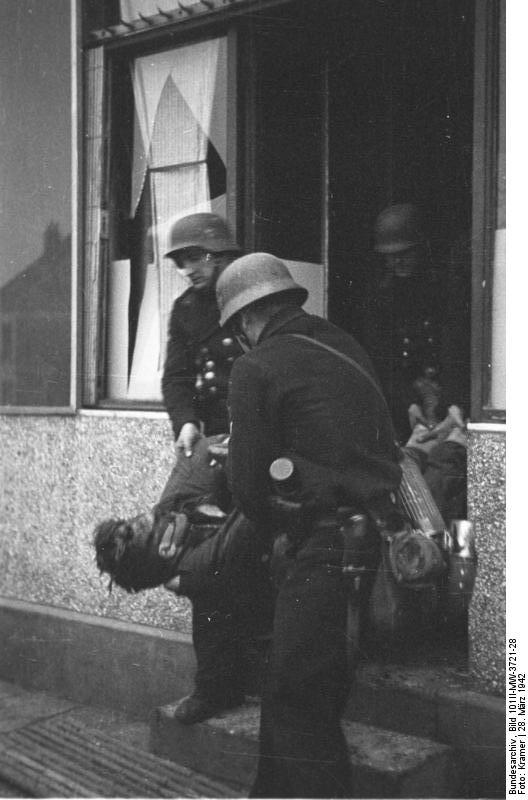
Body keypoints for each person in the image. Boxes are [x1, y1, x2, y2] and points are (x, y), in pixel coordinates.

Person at [216, 253, 402, 798]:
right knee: (293, 689)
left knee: (300, 704)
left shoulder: (255, 367)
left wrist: (276, 524)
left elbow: (248, 488)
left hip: (321, 548)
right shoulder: (344, 344)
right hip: (374, 544)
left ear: (245, 320)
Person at [157, 213, 272, 725]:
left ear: (222, 253)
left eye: (194, 258)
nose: (187, 270)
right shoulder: (185, 310)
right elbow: (176, 378)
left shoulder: (254, 295)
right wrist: (185, 423)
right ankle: (215, 687)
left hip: (264, 446)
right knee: (199, 560)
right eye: (180, 261)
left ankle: (266, 683)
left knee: (264, 561)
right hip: (211, 444)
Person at [367, 202, 469, 523]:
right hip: (410, 411)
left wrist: (457, 404)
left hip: (452, 405)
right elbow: (383, 360)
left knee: (446, 478)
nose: (396, 260)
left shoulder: (448, 289)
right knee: (406, 480)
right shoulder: (381, 297)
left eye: (404, 253)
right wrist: (407, 404)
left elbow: (459, 349)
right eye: (390, 255)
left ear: (421, 249)